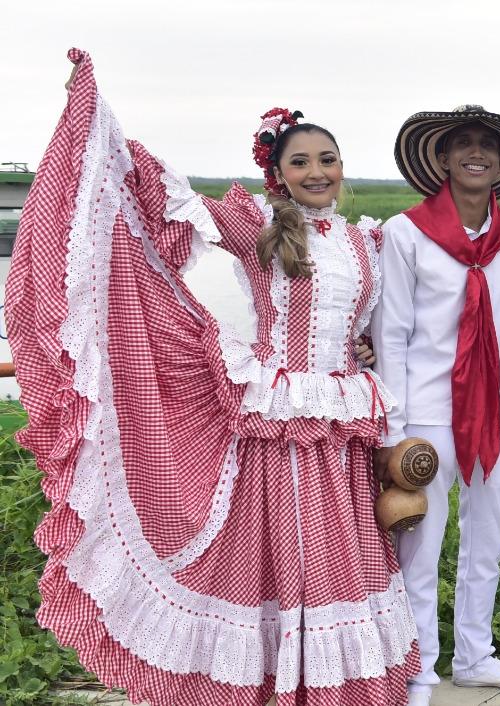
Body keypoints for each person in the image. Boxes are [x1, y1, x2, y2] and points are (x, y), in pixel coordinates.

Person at [6, 49, 418, 706]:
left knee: (339, 559)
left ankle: (328, 688)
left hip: (342, 429)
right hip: (273, 421)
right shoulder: (258, 225)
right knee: (284, 559)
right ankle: (268, 687)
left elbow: (372, 333)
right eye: (300, 162)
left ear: (342, 169)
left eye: (327, 159)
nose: (316, 171)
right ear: (278, 175)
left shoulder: (368, 241)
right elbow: (156, 200)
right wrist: (95, 118)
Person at [376, 105, 500, 705]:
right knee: (421, 547)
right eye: (464, 145)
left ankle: (475, 655)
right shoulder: (406, 234)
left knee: (490, 539)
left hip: (499, 413)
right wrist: (394, 432)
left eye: (489, 146)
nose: (477, 153)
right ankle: (420, 667)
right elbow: (391, 335)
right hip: (427, 415)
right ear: (444, 159)